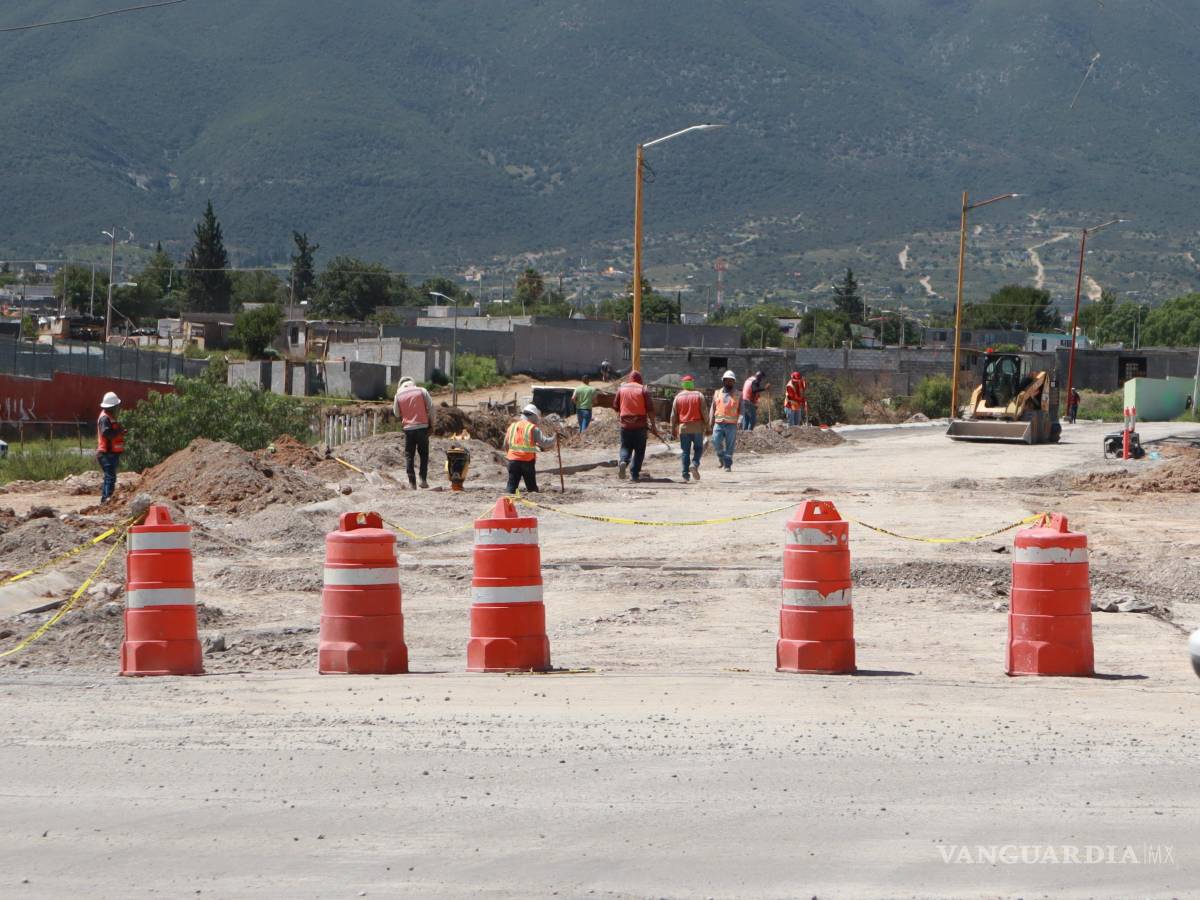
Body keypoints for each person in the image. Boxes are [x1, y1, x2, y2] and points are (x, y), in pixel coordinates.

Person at [613, 370, 656, 482]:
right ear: (640, 379)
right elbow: (650, 409)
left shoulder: (621, 389)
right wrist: (653, 425)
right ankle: (634, 474)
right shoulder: (643, 389)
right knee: (639, 450)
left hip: (625, 425)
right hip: (640, 425)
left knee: (625, 447)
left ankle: (623, 461)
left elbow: (615, 406)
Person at [504, 404, 557, 494]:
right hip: (527, 461)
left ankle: (507, 500)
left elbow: (506, 444)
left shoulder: (512, 426)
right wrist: (555, 437)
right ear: (532, 416)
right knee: (532, 487)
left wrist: (510, 456)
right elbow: (544, 443)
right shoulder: (532, 428)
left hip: (513, 461)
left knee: (511, 486)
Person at [393, 376, 434, 489]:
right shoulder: (422, 391)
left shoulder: (398, 395)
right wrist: (432, 424)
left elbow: (396, 413)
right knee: (424, 454)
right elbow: (431, 408)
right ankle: (423, 479)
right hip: (423, 427)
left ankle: (412, 483)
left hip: (408, 429)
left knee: (409, 455)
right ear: (413, 383)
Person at [670, 375, 709, 483]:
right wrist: (708, 427)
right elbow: (705, 413)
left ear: (683, 384)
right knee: (699, 449)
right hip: (697, 427)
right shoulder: (699, 395)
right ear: (692, 383)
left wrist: (673, 429)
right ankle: (694, 464)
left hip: (683, 428)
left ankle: (685, 475)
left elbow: (673, 416)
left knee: (685, 451)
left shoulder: (678, 397)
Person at [96, 391, 126, 504]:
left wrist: (120, 431)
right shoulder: (105, 418)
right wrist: (118, 431)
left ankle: (105, 499)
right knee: (110, 477)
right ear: (112, 406)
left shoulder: (109, 417)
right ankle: (107, 499)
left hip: (110, 453)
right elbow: (106, 433)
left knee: (109, 477)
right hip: (106, 453)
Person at [711, 370, 740, 472]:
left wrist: (740, 420)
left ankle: (727, 465)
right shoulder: (717, 393)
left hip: (731, 424)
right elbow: (713, 408)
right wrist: (710, 421)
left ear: (734, 382)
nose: (729, 382)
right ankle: (721, 456)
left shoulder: (738, 394)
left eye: (731, 381)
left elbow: (742, 409)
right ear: (723, 381)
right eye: (727, 380)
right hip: (718, 423)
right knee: (715, 441)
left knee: (730, 446)